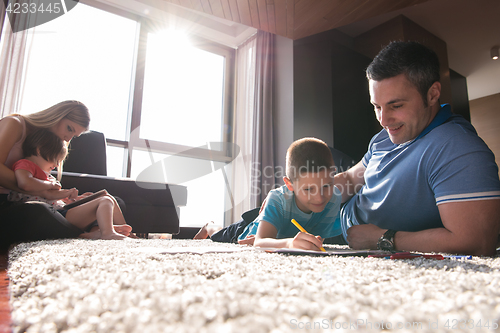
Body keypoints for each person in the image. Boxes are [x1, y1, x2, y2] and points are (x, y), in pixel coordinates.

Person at [332, 41, 500, 256]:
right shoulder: (384, 137)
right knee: (310, 161)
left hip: (343, 234)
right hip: (332, 212)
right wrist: (317, 193)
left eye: (396, 106)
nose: (383, 120)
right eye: (377, 107)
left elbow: (476, 242)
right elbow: (351, 179)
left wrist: (380, 238)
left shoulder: (457, 148)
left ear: (432, 94)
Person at [0, 100, 114, 250]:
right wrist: (38, 189)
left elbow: (43, 184)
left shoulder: (47, 143)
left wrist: (65, 197)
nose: (68, 138)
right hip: (6, 204)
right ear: (57, 115)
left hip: (35, 201)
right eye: (69, 128)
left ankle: (98, 232)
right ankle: (88, 234)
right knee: (38, 211)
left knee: (110, 201)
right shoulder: (15, 124)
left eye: (74, 135)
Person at [195, 137, 343, 251]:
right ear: (289, 184)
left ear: (333, 174)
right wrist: (289, 243)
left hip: (277, 226)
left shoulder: (334, 198)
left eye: (326, 186)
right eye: (308, 189)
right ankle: (209, 226)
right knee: (220, 235)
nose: (319, 197)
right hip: (249, 230)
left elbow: (317, 237)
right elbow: (260, 242)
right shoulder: (278, 199)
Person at [9, 129, 131, 240]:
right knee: (105, 201)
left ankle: (120, 233)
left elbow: (50, 195)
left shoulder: (47, 175)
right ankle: (107, 232)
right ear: (39, 150)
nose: (56, 165)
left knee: (108, 198)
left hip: (60, 210)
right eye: (55, 159)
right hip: (55, 214)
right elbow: (25, 183)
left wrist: (72, 198)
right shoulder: (25, 164)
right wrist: (50, 185)